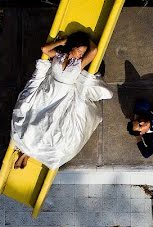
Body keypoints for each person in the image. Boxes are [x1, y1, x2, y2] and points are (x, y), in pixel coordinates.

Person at [11, 31, 113, 169]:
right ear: (73, 47)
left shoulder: (78, 64)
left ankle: (28, 153)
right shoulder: (59, 56)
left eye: (82, 53)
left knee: (49, 122)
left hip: (63, 95)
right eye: (80, 51)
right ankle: (27, 153)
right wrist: (61, 42)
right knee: (37, 117)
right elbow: (44, 49)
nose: (81, 55)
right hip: (49, 91)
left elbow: (94, 50)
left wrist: (86, 38)